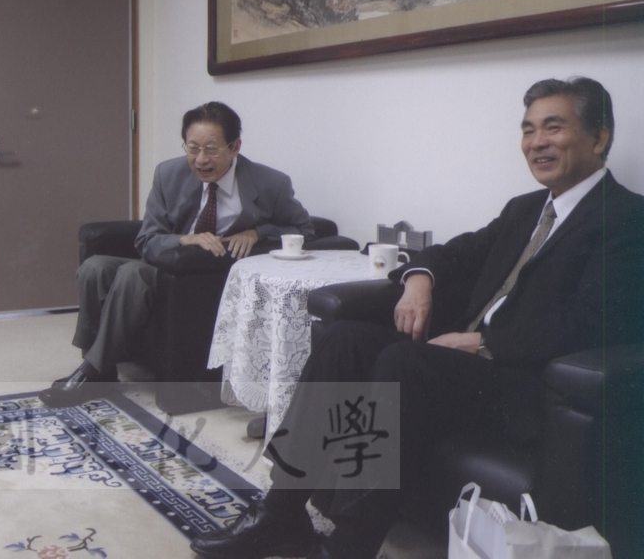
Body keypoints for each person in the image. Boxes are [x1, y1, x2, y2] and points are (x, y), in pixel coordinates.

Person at [190, 77, 644, 559]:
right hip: (466, 367)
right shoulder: (526, 209)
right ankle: (281, 513)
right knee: (344, 339)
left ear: (599, 137)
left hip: (527, 383)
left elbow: (591, 321)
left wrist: (483, 342)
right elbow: (456, 253)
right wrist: (419, 279)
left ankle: (349, 546)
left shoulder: (626, 218)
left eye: (553, 128)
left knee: (404, 361)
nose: (536, 142)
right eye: (528, 130)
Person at [39, 101, 315, 408]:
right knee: (94, 267)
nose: (200, 159)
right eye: (192, 148)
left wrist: (257, 233)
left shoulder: (269, 183)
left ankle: (90, 373)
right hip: (166, 261)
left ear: (235, 147)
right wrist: (185, 239)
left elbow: (305, 229)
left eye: (212, 149)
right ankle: (100, 370)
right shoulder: (168, 174)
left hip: (199, 282)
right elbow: (146, 239)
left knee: (132, 273)